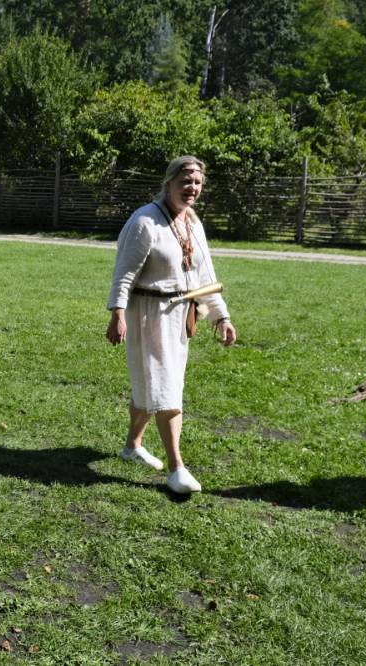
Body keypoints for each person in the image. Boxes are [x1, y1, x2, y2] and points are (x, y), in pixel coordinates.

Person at [105, 156, 237, 494]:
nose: (192, 188)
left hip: (179, 315)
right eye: (185, 182)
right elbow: (124, 273)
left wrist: (221, 316)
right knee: (166, 388)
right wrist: (117, 313)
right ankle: (177, 468)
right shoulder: (145, 221)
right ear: (169, 183)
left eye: (197, 183)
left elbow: (205, 277)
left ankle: (132, 446)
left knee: (153, 384)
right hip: (147, 313)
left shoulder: (192, 222)